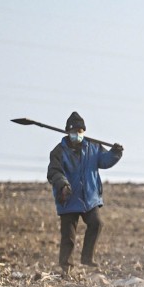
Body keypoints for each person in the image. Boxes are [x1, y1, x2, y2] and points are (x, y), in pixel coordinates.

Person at [47, 111, 123, 276]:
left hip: (89, 198)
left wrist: (115, 153)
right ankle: (66, 267)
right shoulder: (58, 152)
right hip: (68, 198)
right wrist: (63, 185)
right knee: (69, 236)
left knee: (96, 223)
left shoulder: (93, 147)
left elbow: (104, 160)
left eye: (80, 132)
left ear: (84, 132)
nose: (77, 135)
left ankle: (87, 258)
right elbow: (54, 172)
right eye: (74, 132)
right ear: (68, 132)